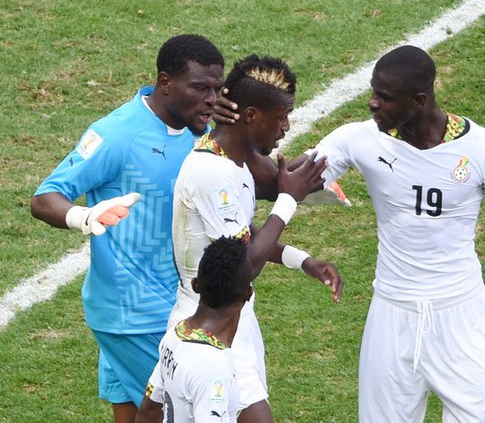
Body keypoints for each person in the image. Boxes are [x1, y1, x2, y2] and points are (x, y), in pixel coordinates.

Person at [215, 45, 485, 423]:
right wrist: (226, 128)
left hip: (462, 316)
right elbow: (281, 181)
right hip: (390, 315)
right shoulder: (359, 140)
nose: (372, 103)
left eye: (384, 97)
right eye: (373, 92)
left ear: (419, 100)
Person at [31, 34, 226, 423]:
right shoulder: (118, 133)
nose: (211, 100)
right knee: (181, 414)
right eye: (200, 88)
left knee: (131, 415)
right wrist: (84, 217)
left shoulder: (199, 131)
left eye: (217, 89)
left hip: (166, 305)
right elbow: (45, 197)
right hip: (134, 313)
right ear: (165, 82)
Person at [168, 54, 343, 423]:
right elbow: (244, 265)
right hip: (209, 327)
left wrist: (302, 260)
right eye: (281, 117)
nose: (287, 127)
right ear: (250, 116)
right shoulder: (213, 174)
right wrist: (288, 200)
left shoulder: (235, 159)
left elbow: (244, 236)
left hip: (230, 320)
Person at [136, 236, 252, 423]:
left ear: (196, 285)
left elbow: (148, 412)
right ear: (248, 294)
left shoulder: (175, 336)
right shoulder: (213, 365)